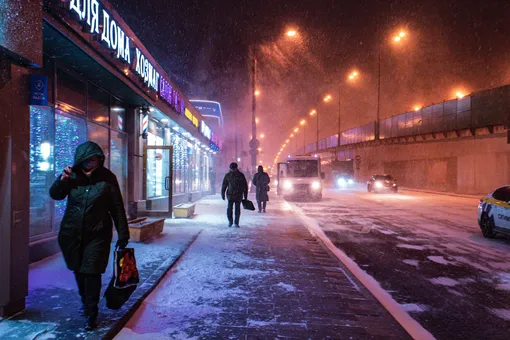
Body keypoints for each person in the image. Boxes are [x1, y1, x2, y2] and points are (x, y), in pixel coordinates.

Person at [49, 141, 129, 331]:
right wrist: (63, 180)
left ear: (100, 159)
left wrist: (123, 234)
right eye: (87, 160)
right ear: (80, 160)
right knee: (79, 270)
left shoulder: (108, 178)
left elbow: (116, 207)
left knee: (92, 272)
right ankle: (86, 302)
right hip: (71, 234)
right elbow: (55, 195)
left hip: (98, 235)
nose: (91, 163)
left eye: (94, 159)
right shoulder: (71, 176)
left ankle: (91, 313)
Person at [221, 162, 248, 228]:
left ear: (236, 168)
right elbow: (224, 185)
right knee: (229, 209)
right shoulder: (228, 175)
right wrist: (223, 194)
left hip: (238, 195)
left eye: (234, 169)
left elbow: (245, 186)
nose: (232, 170)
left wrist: (245, 196)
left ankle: (236, 222)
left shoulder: (241, 175)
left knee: (237, 210)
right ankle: (230, 221)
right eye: (231, 169)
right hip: (230, 195)